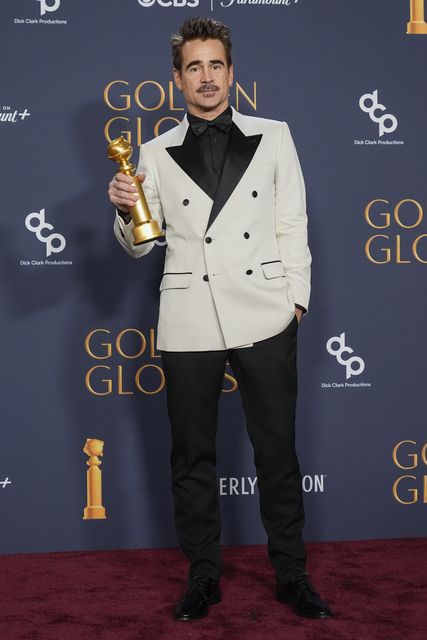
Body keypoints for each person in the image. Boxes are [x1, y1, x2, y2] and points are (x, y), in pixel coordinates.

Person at [108, 17, 332, 622]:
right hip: (188, 317)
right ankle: (203, 577)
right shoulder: (150, 154)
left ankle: (291, 574)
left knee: (277, 452)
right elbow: (139, 246)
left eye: (215, 66)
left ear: (232, 73)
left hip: (265, 311)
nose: (206, 78)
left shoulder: (275, 135)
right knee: (191, 456)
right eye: (194, 68)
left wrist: (296, 302)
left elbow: (292, 224)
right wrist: (126, 210)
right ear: (177, 80)